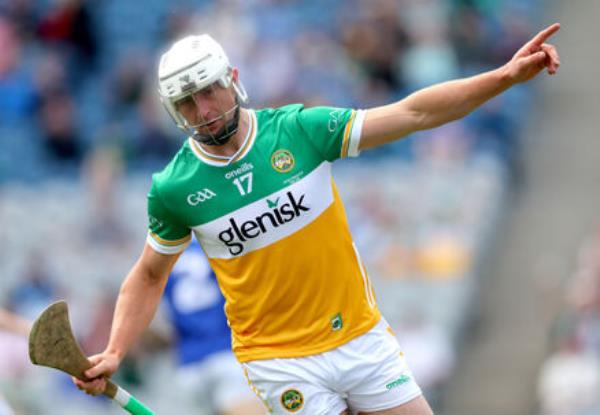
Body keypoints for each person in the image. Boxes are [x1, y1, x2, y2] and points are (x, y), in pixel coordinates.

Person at [74, 23, 561, 415]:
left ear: (232, 78)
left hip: (359, 335)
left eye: (207, 91)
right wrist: (116, 349)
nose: (202, 110)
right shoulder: (174, 188)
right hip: (279, 359)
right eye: (186, 102)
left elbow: (413, 114)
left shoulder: (299, 130)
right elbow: (149, 274)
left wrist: (503, 78)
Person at [160, 237, 264, 414]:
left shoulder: (163, 255)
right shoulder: (218, 241)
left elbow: (164, 320)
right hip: (227, 353)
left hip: (188, 365)